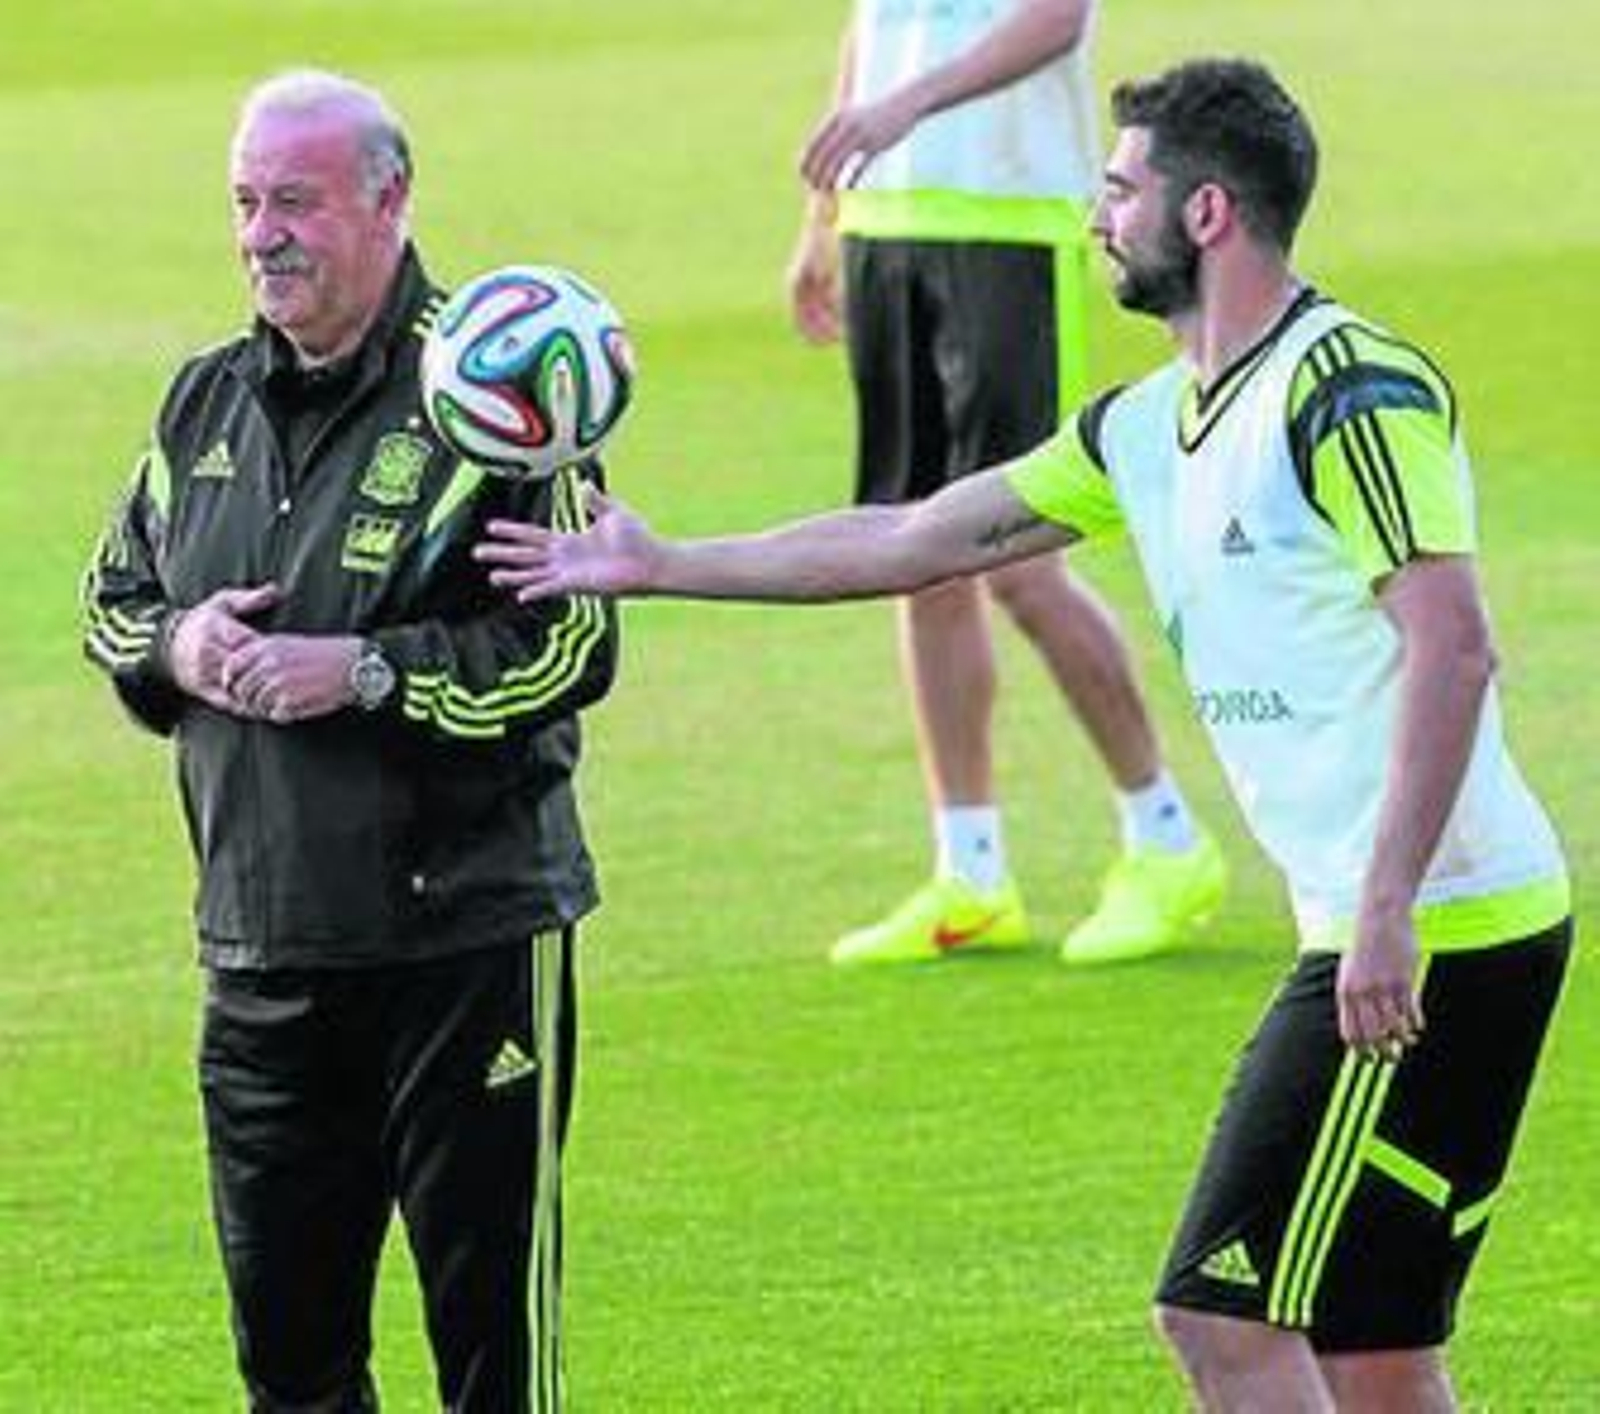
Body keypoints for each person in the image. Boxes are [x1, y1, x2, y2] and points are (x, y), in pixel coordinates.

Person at [479, 57, 1574, 1409]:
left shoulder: (1350, 390)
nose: (1094, 214)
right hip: (1413, 923)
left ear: (1210, 213)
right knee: (1373, 1341)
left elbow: (1453, 641)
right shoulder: (1142, 432)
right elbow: (913, 536)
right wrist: (662, 561)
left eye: (1119, 190)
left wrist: (1389, 908)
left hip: (1431, 933)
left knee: (1219, 1312)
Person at [80, 69, 615, 1413]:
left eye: (298, 202)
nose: (265, 233)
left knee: (496, 1356)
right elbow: (113, 600)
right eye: (246, 203)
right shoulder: (201, 403)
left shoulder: (495, 396)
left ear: (391, 202)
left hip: (466, 948)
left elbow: (568, 648)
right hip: (262, 953)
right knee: (291, 1367)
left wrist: (369, 669)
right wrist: (179, 645)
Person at [785, 0, 1225, 967]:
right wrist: (823, 219)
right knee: (916, 560)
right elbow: (872, 29)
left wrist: (908, 106)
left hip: (1008, 227)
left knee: (1021, 565)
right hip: (886, 226)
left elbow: (1058, 18)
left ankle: (1166, 840)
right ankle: (971, 873)